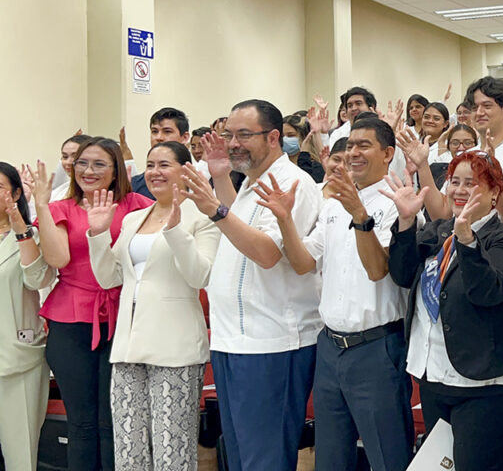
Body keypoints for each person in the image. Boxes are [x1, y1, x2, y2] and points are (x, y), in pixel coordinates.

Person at [254, 115, 413, 471]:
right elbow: (303, 262)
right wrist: (284, 220)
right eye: (350, 145)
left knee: (387, 456)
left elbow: (377, 270)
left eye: (364, 145)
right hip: (330, 347)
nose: (354, 153)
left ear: (388, 153)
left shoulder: (395, 203)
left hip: (376, 348)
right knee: (331, 457)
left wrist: (359, 214)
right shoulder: (332, 204)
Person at [181, 100, 322, 471]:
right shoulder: (251, 182)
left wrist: (214, 208)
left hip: (271, 342)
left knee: (265, 457)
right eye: (230, 134)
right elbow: (240, 226)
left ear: (274, 137)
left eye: (244, 135)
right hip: (232, 340)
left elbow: (266, 253)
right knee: (241, 456)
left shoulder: (294, 183)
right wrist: (221, 177)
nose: (233, 143)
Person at [385, 151, 503, 471]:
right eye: (455, 182)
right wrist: (407, 222)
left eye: (472, 183)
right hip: (434, 375)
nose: (460, 190)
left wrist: (467, 242)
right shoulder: (438, 231)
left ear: (494, 193)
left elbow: (488, 292)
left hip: (485, 386)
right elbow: (401, 273)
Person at [85, 142, 220, 471]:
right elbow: (108, 278)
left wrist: (175, 231)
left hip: (175, 347)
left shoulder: (204, 215)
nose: (155, 172)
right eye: (150, 165)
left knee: (171, 450)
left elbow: (200, 275)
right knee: (129, 450)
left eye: (164, 165)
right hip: (128, 346)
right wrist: (99, 233)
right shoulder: (133, 219)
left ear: (185, 170)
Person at [25, 137, 153, 471]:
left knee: (114, 421)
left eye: (99, 164)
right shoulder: (60, 208)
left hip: (124, 317)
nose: (88, 171)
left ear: (116, 171)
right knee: (81, 423)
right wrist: (40, 205)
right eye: (82, 163)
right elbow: (56, 258)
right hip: (70, 320)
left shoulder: (137, 205)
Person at [0, 162, 49, 471]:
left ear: (16, 193)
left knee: (20, 456)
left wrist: (20, 229)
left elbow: (37, 280)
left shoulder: (31, 236)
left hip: (15, 358)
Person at [130, 108, 192, 200]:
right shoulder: (134, 185)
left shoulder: (198, 183)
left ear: (184, 137)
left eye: (167, 131)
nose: (159, 137)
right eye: (154, 131)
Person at [283, 114, 325, 183]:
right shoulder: (280, 165)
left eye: (291, 135)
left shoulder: (316, 167)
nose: (284, 139)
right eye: (282, 136)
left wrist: (304, 155)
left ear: (304, 137)